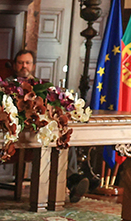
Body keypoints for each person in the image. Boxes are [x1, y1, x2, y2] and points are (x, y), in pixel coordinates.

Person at [12, 48, 88, 202]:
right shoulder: (8, 85)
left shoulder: (42, 86)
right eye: (20, 63)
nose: (24, 66)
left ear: (33, 66)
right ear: (15, 65)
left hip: (43, 126)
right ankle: (69, 181)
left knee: (63, 133)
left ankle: (70, 180)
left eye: (27, 63)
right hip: (21, 129)